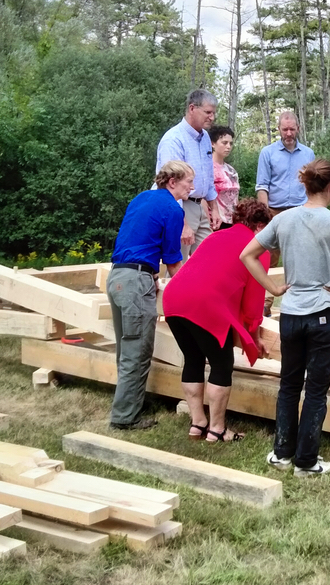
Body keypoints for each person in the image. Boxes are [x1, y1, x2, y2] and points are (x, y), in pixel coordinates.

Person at [241, 159, 330, 477]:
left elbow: (247, 255)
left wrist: (273, 285)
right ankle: (307, 462)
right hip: (325, 314)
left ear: (305, 185)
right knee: (315, 390)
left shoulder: (284, 219)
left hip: (292, 314)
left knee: (289, 384)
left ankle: (282, 453)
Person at [162, 198, 287, 443]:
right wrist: (253, 337)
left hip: (174, 299)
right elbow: (253, 304)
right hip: (204, 305)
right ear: (261, 227)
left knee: (193, 359)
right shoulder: (255, 249)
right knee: (221, 364)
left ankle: (198, 424)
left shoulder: (214, 236)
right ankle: (217, 429)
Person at [107, 160, 193, 430]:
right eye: (188, 181)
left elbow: (136, 241)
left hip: (118, 276)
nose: (192, 186)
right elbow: (173, 261)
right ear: (172, 182)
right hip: (135, 283)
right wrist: (193, 292)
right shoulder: (172, 208)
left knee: (126, 348)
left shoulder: (141, 198)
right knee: (137, 351)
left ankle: (129, 405)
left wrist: (151, 276)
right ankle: (125, 417)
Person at [157, 88, 220, 260]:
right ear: (192, 108)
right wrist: (182, 223)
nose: (212, 117)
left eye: (214, 113)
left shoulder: (205, 137)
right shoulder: (174, 140)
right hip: (180, 207)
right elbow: (170, 187)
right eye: (207, 112)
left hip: (200, 207)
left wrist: (214, 208)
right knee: (178, 264)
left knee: (209, 260)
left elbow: (208, 176)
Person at [255, 112, 316, 218]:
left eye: (292, 129)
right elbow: (262, 186)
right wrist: (265, 216)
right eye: (285, 129)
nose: (288, 133)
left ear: (298, 128)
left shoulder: (308, 154)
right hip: (274, 212)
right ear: (279, 129)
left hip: (301, 212)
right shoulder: (267, 153)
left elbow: (313, 186)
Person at [210, 125, 241, 229]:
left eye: (230, 143)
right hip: (215, 221)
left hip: (233, 221)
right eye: (224, 143)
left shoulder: (232, 171)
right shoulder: (207, 168)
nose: (228, 146)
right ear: (212, 143)